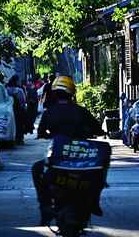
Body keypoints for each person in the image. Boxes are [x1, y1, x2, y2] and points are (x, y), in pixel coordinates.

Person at [32, 76, 106, 226]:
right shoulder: (81, 111)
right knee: (99, 169)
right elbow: (98, 129)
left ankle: (45, 207)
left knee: (36, 170)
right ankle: (94, 202)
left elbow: (40, 133)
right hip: (81, 158)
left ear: (54, 93)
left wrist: (51, 135)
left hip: (57, 157)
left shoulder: (49, 112)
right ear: (72, 92)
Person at [6, 75, 27, 144]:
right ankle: (19, 139)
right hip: (19, 110)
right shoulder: (19, 90)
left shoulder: (6, 89)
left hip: (9, 110)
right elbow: (23, 100)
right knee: (19, 125)